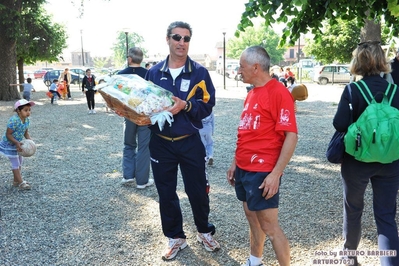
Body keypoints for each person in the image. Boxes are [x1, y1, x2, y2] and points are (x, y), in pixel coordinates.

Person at [145, 21, 220, 260]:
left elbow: (207, 104)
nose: (181, 42)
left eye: (186, 39)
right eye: (177, 37)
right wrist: (129, 111)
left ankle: (204, 231)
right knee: (166, 193)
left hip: (190, 141)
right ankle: (176, 237)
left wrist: (186, 105)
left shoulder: (199, 72)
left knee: (197, 190)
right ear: (167, 39)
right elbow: (142, 103)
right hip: (161, 142)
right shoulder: (154, 72)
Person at [226, 46, 298, 266]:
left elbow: (291, 136)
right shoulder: (251, 94)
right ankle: (254, 261)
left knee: (269, 226)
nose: (239, 71)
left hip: (262, 170)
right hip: (244, 168)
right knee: (252, 218)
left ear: (256, 68)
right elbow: (245, 132)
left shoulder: (278, 92)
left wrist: (275, 174)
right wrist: (234, 163)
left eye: (241, 66)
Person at [333, 40, 399, 266]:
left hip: (356, 162)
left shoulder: (353, 90)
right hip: (390, 161)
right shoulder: (394, 90)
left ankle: (350, 258)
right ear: (382, 61)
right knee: (386, 216)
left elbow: (340, 124)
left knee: (353, 211)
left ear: (357, 62)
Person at [118, 47, 153, 189]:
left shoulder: (121, 75)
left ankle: (128, 175)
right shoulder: (149, 74)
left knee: (129, 144)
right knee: (144, 147)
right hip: (144, 114)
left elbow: (116, 96)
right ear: (141, 59)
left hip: (128, 114)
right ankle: (142, 181)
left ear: (129, 59)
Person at [0, 99, 36, 190]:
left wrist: (31, 142)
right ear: (18, 111)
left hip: (18, 144)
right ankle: (21, 183)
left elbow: (26, 133)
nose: (28, 112)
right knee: (15, 163)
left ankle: (16, 181)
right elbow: (8, 134)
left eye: (29, 110)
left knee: (20, 162)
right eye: (26, 110)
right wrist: (16, 142)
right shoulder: (13, 121)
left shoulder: (27, 120)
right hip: (10, 144)